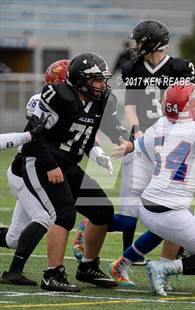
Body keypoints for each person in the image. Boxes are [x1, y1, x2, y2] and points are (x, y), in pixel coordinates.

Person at [112, 82, 195, 297]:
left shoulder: (161, 124)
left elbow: (141, 144)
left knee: (165, 230)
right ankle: (164, 268)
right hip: (170, 213)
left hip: (147, 206)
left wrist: (129, 146)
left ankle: (120, 264)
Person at [19, 52, 131, 292]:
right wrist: (50, 165)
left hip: (68, 163)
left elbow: (113, 128)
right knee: (64, 214)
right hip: (39, 160)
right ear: (81, 80)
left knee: (102, 210)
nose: (103, 84)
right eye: (97, 79)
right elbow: (32, 138)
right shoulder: (58, 96)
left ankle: (88, 266)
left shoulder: (102, 100)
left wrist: (127, 142)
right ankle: (53, 273)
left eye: (103, 79)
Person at [102, 19, 195, 254]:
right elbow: (130, 107)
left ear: (151, 43)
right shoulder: (133, 68)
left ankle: (178, 246)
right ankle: (126, 249)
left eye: (138, 41)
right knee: (131, 202)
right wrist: (140, 133)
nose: (135, 45)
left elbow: (191, 104)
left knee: (172, 199)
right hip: (142, 142)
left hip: (172, 142)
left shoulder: (179, 68)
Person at [0, 60, 70, 286]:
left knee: (13, 239)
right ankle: (13, 271)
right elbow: (35, 136)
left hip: (30, 169)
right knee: (44, 217)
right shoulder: (43, 102)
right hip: (23, 171)